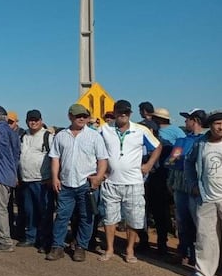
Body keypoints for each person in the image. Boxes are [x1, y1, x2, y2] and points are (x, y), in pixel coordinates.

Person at [99, 100, 162, 264]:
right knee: (109, 218)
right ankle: (110, 249)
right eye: (120, 112)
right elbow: (95, 149)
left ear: (130, 113)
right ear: (114, 112)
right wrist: (100, 171)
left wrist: (148, 164)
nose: (123, 115)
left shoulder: (141, 130)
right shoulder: (104, 129)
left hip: (134, 182)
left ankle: (129, 250)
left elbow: (158, 146)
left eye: (126, 112)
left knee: (133, 218)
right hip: (111, 182)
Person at [46, 104, 108, 262]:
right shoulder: (61, 136)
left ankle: (81, 247)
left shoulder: (94, 136)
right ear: (70, 116)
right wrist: (55, 178)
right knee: (61, 216)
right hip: (66, 184)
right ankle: (57, 246)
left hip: (86, 184)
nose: (81, 118)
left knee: (86, 217)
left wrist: (98, 178)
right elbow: (55, 159)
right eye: (78, 116)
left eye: (85, 116)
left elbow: (102, 160)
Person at [184, 111, 222, 276]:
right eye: (217, 123)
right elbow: (188, 163)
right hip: (206, 197)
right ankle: (203, 274)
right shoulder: (201, 143)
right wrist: (192, 185)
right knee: (205, 237)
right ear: (210, 125)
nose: (221, 127)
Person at [166, 108, 206, 266]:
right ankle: (183, 251)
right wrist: (171, 180)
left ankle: (198, 255)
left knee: (199, 221)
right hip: (180, 184)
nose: (185, 122)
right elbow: (171, 161)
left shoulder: (205, 140)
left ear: (195, 120)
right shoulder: (182, 140)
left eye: (187, 119)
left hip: (197, 185)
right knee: (182, 219)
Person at [144, 107, 186, 256]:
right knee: (153, 212)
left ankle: (162, 244)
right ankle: (154, 243)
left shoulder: (167, 144)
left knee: (160, 213)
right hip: (155, 180)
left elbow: (176, 157)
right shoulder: (172, 136)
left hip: (160, 180)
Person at [16, 110, 54, 251]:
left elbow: (55, 157)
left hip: (42, 181)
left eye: (36, 120)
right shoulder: (23, 136)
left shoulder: (47, 136)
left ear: (41, 120)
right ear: (26, 121)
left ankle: (45, 241)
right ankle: (31, 237)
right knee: (29, 211)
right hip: (26, 180)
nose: (33, 122)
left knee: (44, 211)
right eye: (31, 120)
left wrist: (52, 177)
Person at [0, 106, 21, 252]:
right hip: (9, 175)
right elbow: (17, 154)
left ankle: (5, 241)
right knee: (4, 209)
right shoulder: (12, 132)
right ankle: (5, 237)